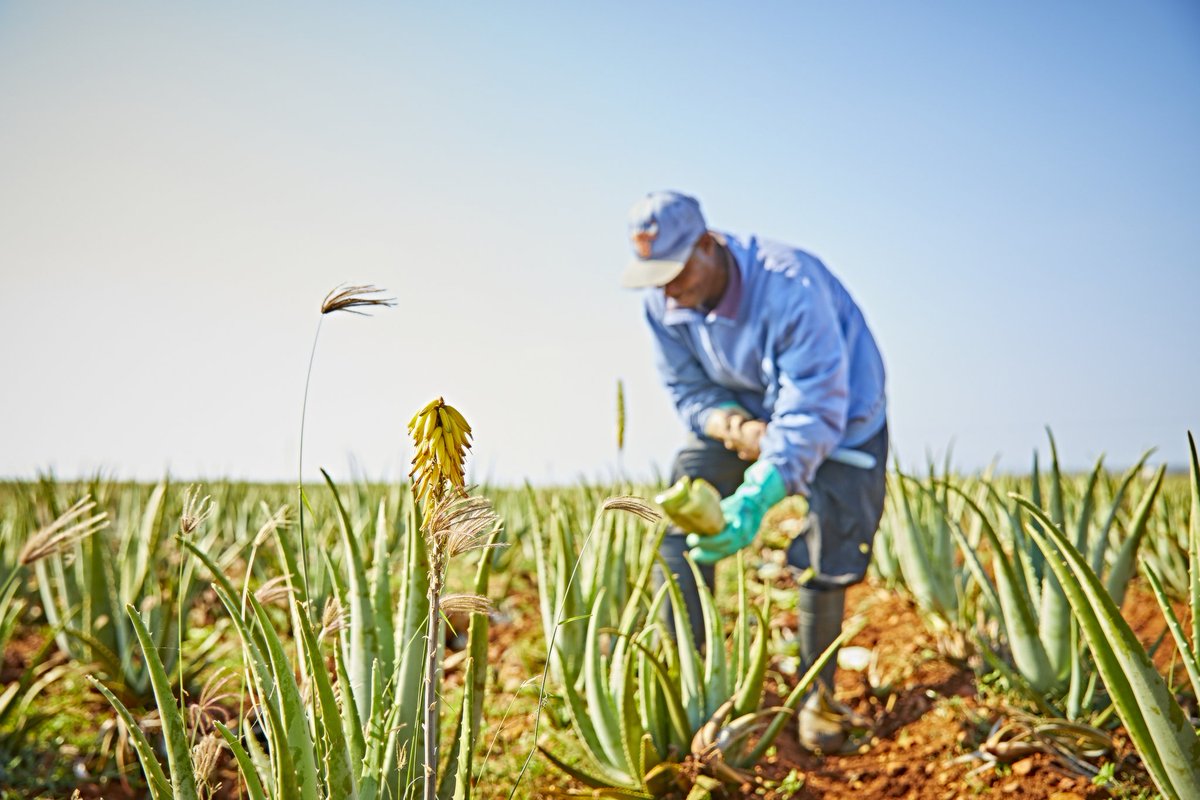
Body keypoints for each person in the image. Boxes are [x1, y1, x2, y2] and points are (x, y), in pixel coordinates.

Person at [621, 190, 888, 753]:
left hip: (842, 419)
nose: (667, 290)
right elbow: (687, 390)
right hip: (742, 418)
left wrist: (759, 492)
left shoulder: (790, 286)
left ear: (707, 245)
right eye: (654, 275)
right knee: (678, 511)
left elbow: (815, 408)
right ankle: (690, 681)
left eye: (674, 272)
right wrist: (740, 429)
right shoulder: (663, 304)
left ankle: (817, 697)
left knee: (830, 550)